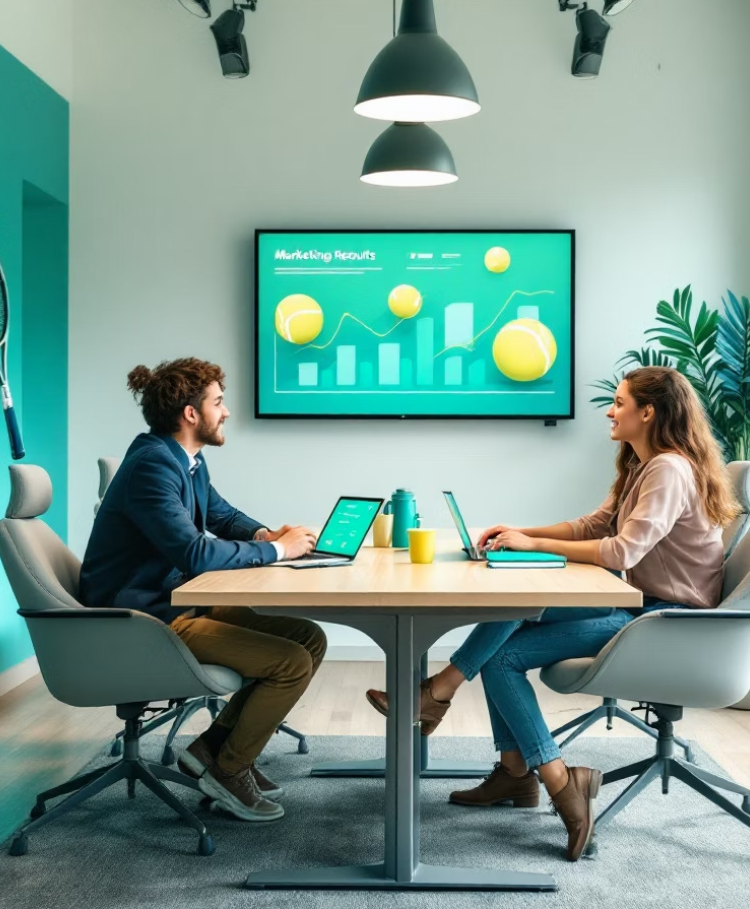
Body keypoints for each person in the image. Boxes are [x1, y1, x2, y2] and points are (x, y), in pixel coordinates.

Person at [366, 367, 739, 859]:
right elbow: (593, 525)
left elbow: (623, 552)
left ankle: (538, 772)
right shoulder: (641, 465)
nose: (610, 410)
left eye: (620, 402)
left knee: (505, 645)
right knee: (516, 600)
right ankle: (502, 759)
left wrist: (531, 545)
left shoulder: (668, 469)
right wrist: (520, 533)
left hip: (662, 623)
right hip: (635, 604)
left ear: (648, 413)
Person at [80, 357, 325, 824]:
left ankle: (211, 751)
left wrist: (268, 536)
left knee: (309, 637)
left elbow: (221, 515)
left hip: (175, 602)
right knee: (289, 662)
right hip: (146, 620)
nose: (227, 411)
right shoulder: (153, 466)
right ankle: (229, 772)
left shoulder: (184, 459)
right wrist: (279, 554)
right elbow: (194, 554)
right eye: (218, 402)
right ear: (190, 414)